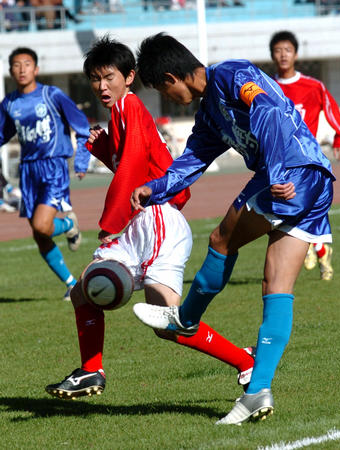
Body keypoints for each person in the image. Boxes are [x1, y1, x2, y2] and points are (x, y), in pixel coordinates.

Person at [130, 32, 335, 425]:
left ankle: (185, 319)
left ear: (172, 77)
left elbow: (268, 110)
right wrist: (155, 188)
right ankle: (257, 391)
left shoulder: (231, 74)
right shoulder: (209, 115)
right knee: (275, 287)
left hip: (293, 172)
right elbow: (190, 162)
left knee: (221, 239)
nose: (166, 98)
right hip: (313, 180)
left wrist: (275, 170)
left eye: (161, 89)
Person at [45, 36, 255, 400]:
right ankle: (91, 371)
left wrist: (111, 223)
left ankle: (246, 362)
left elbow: (132, 169)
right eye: (94, 79)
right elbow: (139, 165)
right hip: (150, 219)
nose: (101, 86)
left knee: (168, 318)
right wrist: (105, 148)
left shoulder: (130, 105)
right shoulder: (123, 112)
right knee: (87, 293)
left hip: (153, 221)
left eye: (108, 76)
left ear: (129, 76)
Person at [0, 47, 90, 301]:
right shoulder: (9, 104)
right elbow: (1, 134)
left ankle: (69, 224)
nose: (21, 69)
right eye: (16, 65)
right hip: (27, 171)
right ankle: (72, 284)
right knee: (39, 234)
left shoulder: (52, 95)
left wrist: (81, 161)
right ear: (10, 71)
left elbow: (81, 126)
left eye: (26, 64)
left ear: (36, 69)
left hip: (53, 167)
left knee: (42, 225)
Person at [270, 30, 340, 281]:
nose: (283, 55)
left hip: (308, 160)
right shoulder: (267, 87)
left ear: (295, 54)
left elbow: (332, 109)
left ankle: (313, 250)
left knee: (303, 206)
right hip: (278, 161)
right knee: (289, 208)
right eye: (278, 51)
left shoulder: (313, 86)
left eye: (287, 50)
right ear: (272, 55)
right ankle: (320, 248)